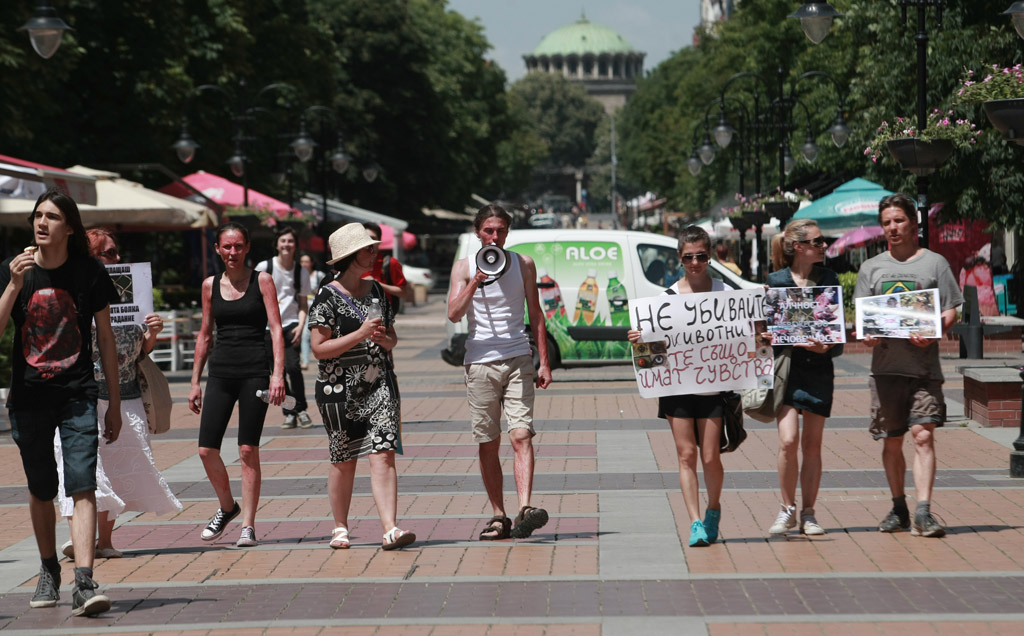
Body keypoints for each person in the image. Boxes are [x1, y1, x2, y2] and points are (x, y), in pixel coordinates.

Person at [0, 188, 118, 616]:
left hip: (78, 393)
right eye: (37, 215)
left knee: (82, 481)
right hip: (29, 397)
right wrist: (13, 285)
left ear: (69, 227)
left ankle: (84, 581)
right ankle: (49, 568)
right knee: (41, 487)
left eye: (51, 216)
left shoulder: (88, 272)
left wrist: (116, 402)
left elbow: (105, 338)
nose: (41, 222)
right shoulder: (18, 272)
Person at [56, 229, 183, 561]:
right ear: (92, 257)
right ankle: (78, 538)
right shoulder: (77, 293)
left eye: (115, 253)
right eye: (107, 254)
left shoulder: (131, 298)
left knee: (115, 471)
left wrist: (152, 333)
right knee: (82, 469)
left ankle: (105, 541)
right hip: (83, 396)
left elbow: (138, 352)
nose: (115, 259)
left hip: (125, 396)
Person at [854, 193, 962, 538]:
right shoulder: (871, 268)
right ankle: (898, 507)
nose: (892, 228)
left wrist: (935, 332)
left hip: (924, 370)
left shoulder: (934, 264)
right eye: (886, 222)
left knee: (923, 435)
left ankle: (924, 512)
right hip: (886, 370)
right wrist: (866, 336)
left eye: (898, 220)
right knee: (891, 441)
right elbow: (863, 320)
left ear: (913, 223)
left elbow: (951, 309)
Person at [448, 204, 553, 540]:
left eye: (501, 231)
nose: (495, 237)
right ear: (479, 232)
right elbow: (453, 313)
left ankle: (524, 509)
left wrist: (544, 361)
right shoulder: (464, 268)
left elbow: (536, 315)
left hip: (518, 358)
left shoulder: (523, 264)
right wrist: (475, 281)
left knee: (521, 435)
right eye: (489, 231)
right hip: (479, 363)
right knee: (488, 442)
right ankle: (499, 515)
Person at [308, 223, 414, 550]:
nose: (375, 253)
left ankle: (390, 529)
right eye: (369, 249)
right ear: (353, 255)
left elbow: (392, 338)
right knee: (344, 458)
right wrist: (360, 334)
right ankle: (340, 526)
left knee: (383, 453)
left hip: (378, 383)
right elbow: (318, 348)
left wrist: (384, 339)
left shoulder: (377, 290)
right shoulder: (326, 295)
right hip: (338, 389)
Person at [189, 222, 287, 548]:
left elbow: (275, 329)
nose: (233, 252)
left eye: (239, 246)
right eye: (227, 247)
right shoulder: (209, 286)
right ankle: (228, 507)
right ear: (217, 248)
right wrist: (194, 382)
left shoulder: (263, 280)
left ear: (247, 248)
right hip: (220, 373)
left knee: (247, 449)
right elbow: (205, 334)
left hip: (254, 372)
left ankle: (248, 526)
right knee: (206, 450)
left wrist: (278, 374)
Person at [628, 225, 725, 548]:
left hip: (714, 387)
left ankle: (713, 509)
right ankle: (695, 522)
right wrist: (640, 341)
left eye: (700, 256)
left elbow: (745, 338)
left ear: (709, 256)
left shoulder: (725, 294)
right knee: (686, 455)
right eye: (688, 257)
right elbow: (652, 358)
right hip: (677, 388)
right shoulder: (665, 300)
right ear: (679, 258)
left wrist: (757, 336)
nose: (695, 262)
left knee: (710, 456)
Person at [764, 219, 843, 537]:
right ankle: (787, 509)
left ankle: (809, 513)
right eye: (818, 241)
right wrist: (768, 332)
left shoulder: (829, 279)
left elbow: (837, 339)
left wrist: (828, 347)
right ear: (799, 247)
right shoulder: (776, 281)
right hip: (788, 370)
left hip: (819, 370)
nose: (824, 246)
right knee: (788, 441)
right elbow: (764, 335)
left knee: (812, 445)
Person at [255, 226, 314, 429]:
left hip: (290, 325)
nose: (286, 245)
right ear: (277, 244)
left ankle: (302, 409)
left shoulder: (301, 271)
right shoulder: (265, 266)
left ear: (295, 245)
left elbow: (303, 304)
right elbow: (255, 298)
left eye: (290, 241)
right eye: (283, 241)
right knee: (277, 372)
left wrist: (300, 326)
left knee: (293, 367)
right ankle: (290, 412)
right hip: (267, 328)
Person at [362, 222, 413, 315]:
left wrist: (376, 284)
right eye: (365, 238)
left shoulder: (390, 263)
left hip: (384, 318)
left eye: (372, 238)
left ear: (379, 241)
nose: (369, 242)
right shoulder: (353, 263)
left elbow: (404, 293)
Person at [299, 252, 326, 370]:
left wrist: (319, 291)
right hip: (303, 310)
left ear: (311, 263)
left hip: (317, 310)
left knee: (319, 336)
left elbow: (328, 287)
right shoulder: (298, 274)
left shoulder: (319, 275)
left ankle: (324, 358)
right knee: (305, 335)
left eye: (306, 261)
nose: (304, 264)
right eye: (302, 262)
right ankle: (305, 361)